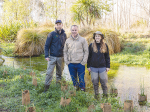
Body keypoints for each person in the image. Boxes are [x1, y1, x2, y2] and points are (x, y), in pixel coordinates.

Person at [64, 25, 88, 92]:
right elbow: (65, 51)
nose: (74, 31)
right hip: (71, 64)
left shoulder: (83, 40)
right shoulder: (68, 40)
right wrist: (67, 62)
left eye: (75, 30)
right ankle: (76, 91)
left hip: (80, 64)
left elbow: (86, 51)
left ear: (78, 31)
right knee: (73, 79)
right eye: (73, 30)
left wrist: (83, 62)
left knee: (81, 79)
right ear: (70, 30)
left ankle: (82, 91)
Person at [44, 20, 67, 92]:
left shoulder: (64, 35)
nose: (58, 26)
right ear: (55, 26)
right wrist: (46, 55)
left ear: (62, 25)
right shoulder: (51, 34)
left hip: (61, 57)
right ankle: (46, 89)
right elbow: (46, 46)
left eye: (59, 24)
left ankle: (57, 88)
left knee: (59, 74)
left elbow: (66, 46)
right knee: (49, 73)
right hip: (52, 57)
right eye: (57, 24)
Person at [87, 31, 110, 99]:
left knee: (104, 83)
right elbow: (89, 57)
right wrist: (88, 66)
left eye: (99, 36)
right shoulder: (91, 45)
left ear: (101, 37)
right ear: (94, 37)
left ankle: (105, 96)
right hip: (93, 67)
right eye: (96, 36)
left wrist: (108, 66)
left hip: (102, 67)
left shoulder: (105, 45)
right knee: (95, 83)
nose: (97, 37)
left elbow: (107, 57)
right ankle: (96, 96)